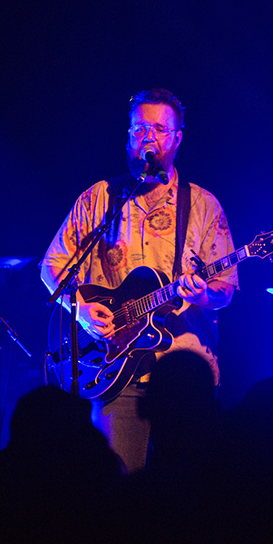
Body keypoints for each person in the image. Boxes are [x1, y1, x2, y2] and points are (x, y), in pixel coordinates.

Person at [40, 88, 238, 472]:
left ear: (177, 138)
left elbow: (226, 288)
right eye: (139, 129)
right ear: (128, 136)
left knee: (187, 491)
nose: (148, 137)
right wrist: (79, 308)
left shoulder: (202, 205)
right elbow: (52, 267)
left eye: (159, 129)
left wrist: (203, 295)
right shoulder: (99, 198)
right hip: (114, 368)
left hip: (185, 371)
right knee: (116, 490)